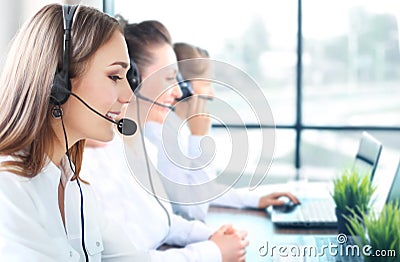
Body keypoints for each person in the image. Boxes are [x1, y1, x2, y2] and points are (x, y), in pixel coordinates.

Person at [80, 20, 249, 262]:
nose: (179, 93)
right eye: (169, 78)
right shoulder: (93, 158)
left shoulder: (133, 144)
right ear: (133, 79)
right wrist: (213, 252)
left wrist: (214, 235)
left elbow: (160, 221)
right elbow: (125, 257)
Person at [0, 4, 148, 261]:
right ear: (58, 82)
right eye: (114, 76)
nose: (127, 96)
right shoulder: (8, 190)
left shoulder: (75, 187)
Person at [142, 41, 300, 221]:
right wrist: (199, 138)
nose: (212, 94)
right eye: (207, 83)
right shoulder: (159, 135)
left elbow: (200, 189)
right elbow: (193, 209)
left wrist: (255, 200)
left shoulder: (181, 129)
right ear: (185, 86)